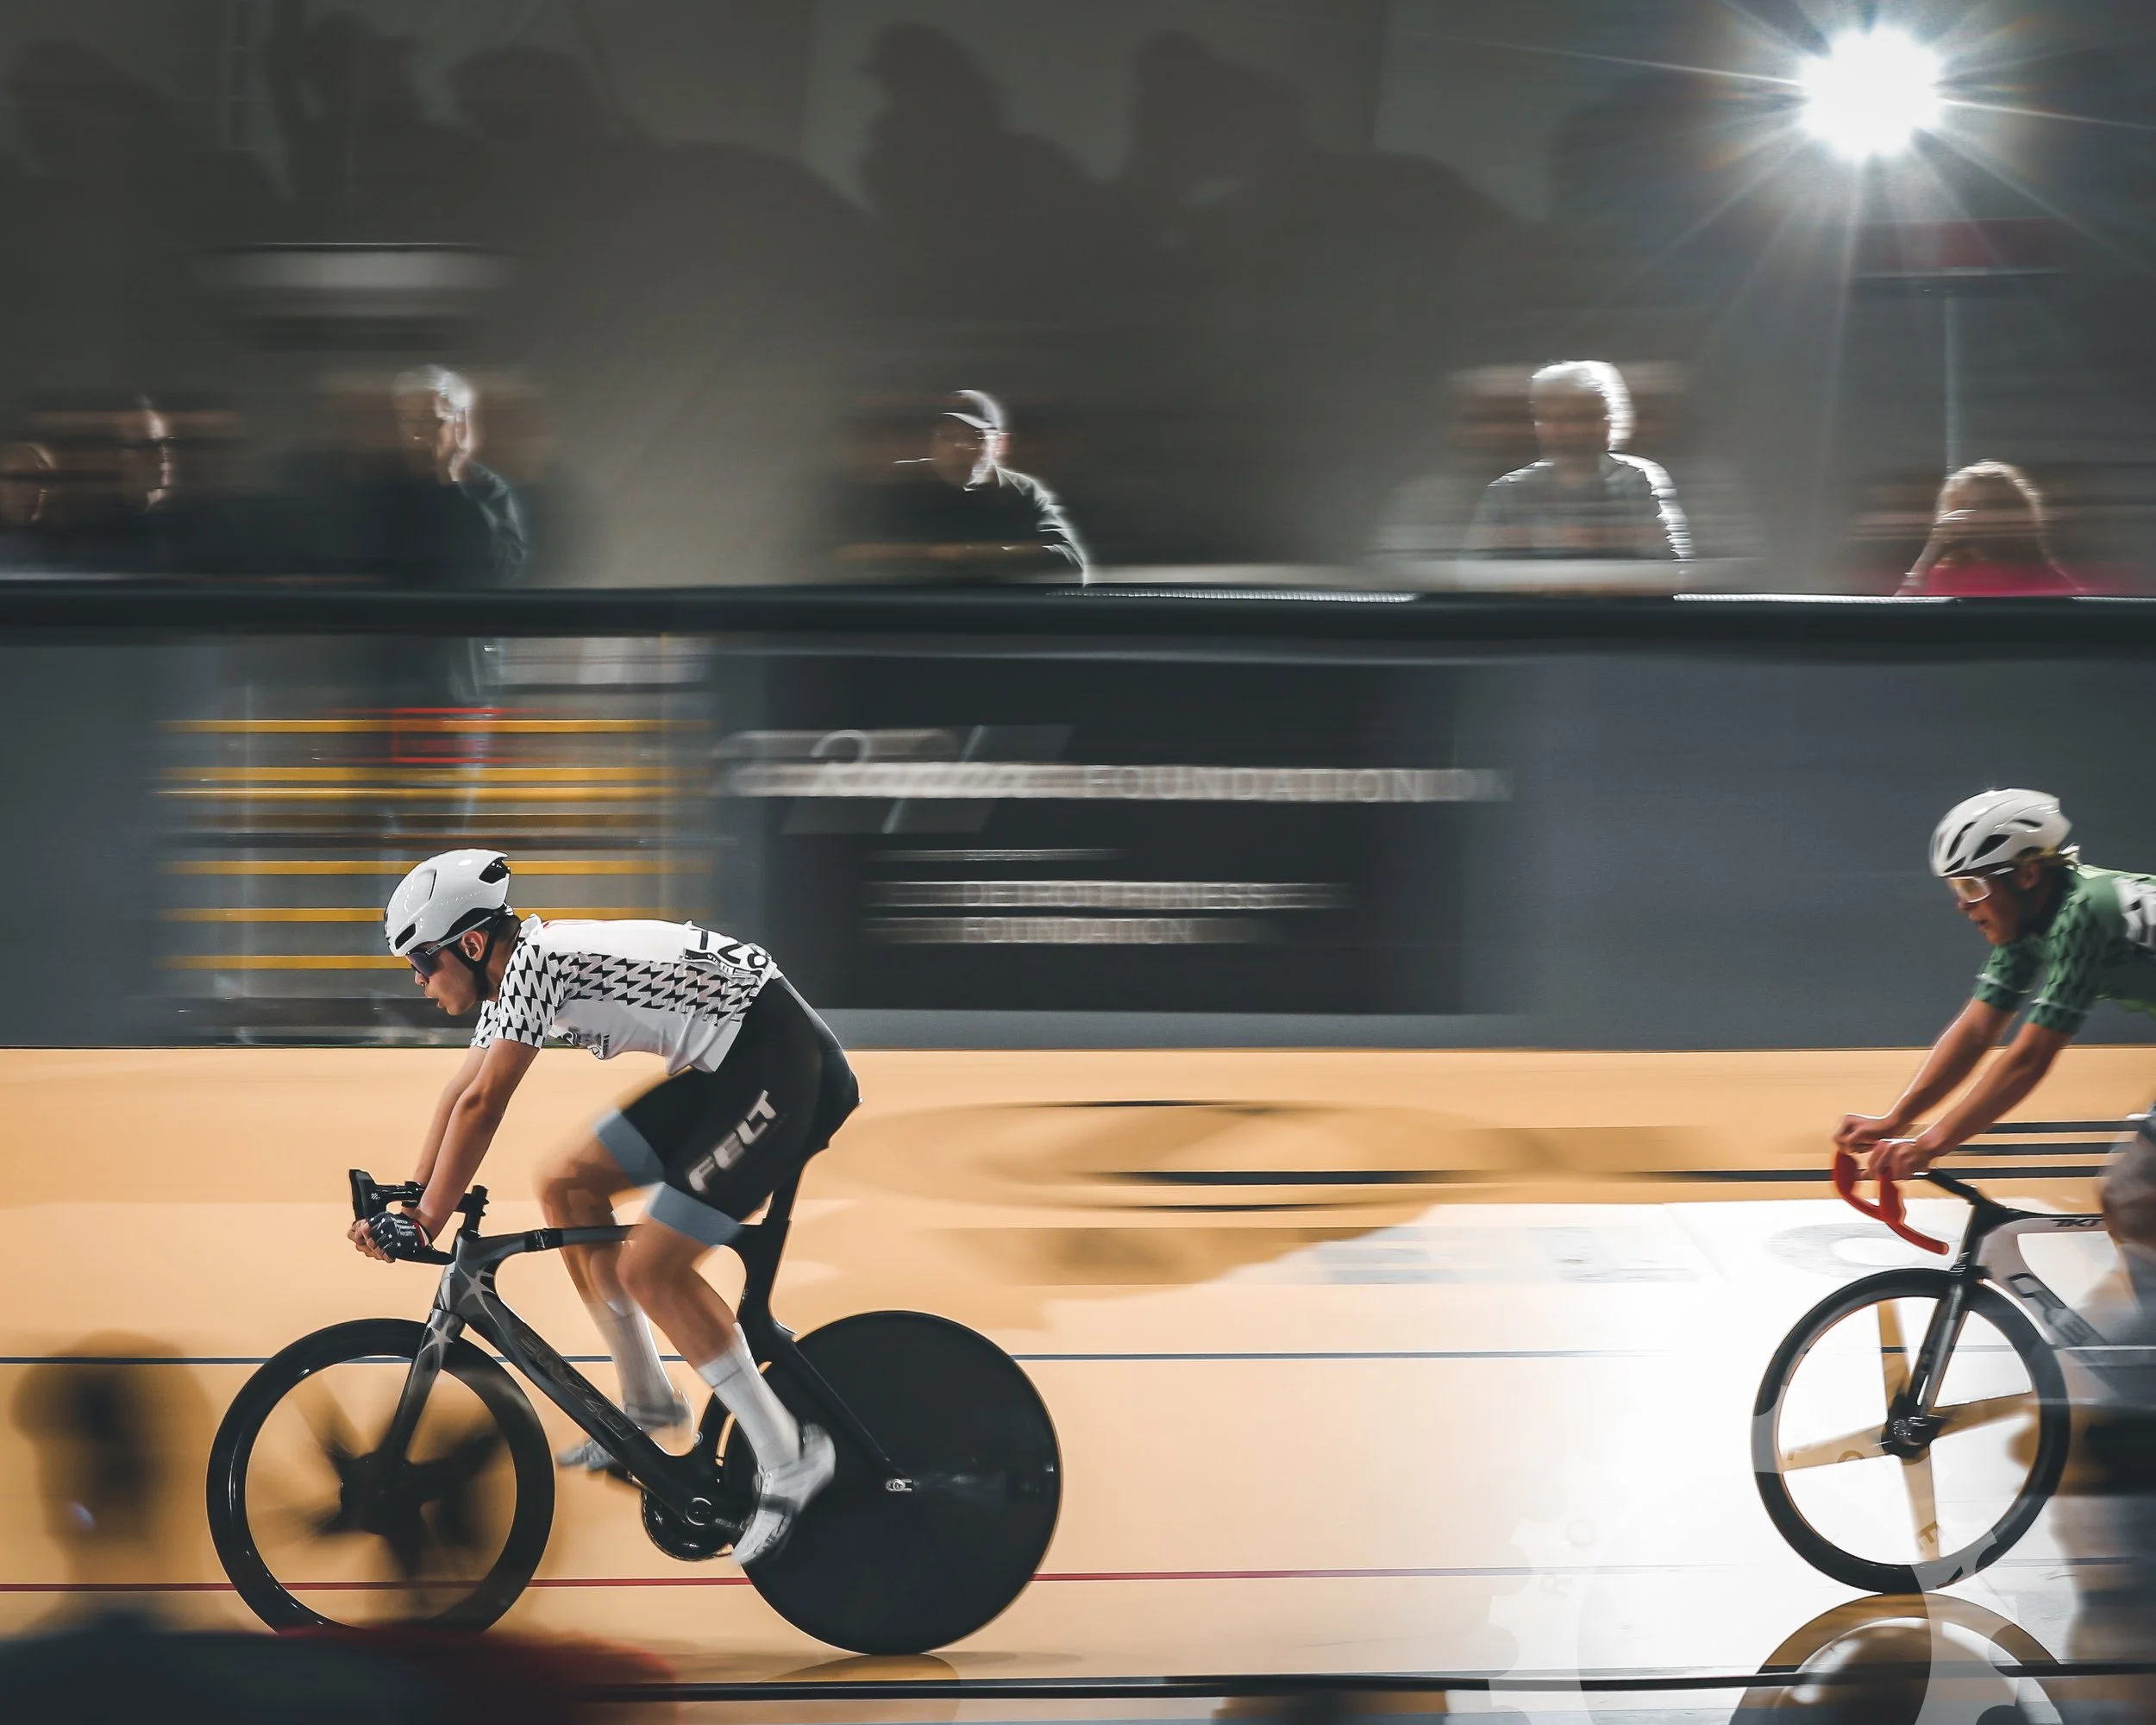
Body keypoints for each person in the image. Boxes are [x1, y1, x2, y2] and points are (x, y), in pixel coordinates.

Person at [352, 850, 859, 1565]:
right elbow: (460, 1093)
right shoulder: (514, 974)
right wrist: (413, 1196)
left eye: (423, 961)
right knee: (567, 1184)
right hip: (731, 1064)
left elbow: (486, 1105)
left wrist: (428, 1221)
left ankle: (789, 1456)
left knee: (652, 1270)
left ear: (472, 944)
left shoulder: (534, 963)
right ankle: (649, 1401)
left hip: (779, 1063)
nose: (418, 979)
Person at [1837, 790, 2156, 1301]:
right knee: (2134, 1199)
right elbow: (1977, 1030)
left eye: (1973, 886)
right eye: (1956, 887)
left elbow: (2029, 1058)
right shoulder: (2028, 924)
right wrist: (1897, 1120)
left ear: (2027, 874)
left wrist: (1930, 1144)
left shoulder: (2086, 912)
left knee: (2132, 1192)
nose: (1963, 905)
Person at [831, 390, 1087, 581]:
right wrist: (936, 555)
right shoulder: (900, 485)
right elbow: (848, 556)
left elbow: (1068, 556)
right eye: (947, 436)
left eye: (976, 436)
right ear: (932, 443)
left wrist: (967, 555)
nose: (959, 446)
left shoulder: (1023, 490)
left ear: (1000, 444)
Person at [1463, 361, 1689, 564]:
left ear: (1608, 421)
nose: (1558, 430)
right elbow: (1475, 572)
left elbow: (1670, 566)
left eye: (1575, 418)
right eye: (1547, 418)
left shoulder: (1636, 480)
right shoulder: (1507, 492)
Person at [1897, 461, 2079, 596]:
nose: (1969, 515)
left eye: (1984, 505)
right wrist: (1930, 553)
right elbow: (1899, 616)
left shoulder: (2037, 573)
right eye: (1961, 505)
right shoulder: (1942, 575)